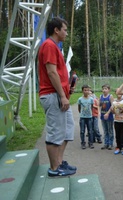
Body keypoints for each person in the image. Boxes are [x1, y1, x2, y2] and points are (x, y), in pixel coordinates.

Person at [38, 17, 76, 177]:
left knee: (68, 128)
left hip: (59, 95)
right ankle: (54, 168)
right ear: (56, 30)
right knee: (55, 132)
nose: (66, 33)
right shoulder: (48, 45)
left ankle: (59, 162)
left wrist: (68, 89)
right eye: (65, 30)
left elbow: (58, 73)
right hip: (53, 95)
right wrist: (62, 95)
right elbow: (51, 72)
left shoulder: (55, 46)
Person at [77, 85, 94, 149]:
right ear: (82, 91)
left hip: (89, 117)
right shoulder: (80, 99)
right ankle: (83, 143)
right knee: (82, 131)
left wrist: (90, 113)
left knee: (90, 131)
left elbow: (92, 107)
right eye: (85, 90)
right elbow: (79, 108)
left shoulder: (91, 99)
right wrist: (81, 113)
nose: (86, 91)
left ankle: (90, 143)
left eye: (88, 90)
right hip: (82, 117)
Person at [100, 84, 114, 150]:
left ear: (109, 90)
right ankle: (106, 143)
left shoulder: (110, 96)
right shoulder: (101, 96)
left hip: (109, 116)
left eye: (106, 89)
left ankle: (110, 143)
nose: (104, 90)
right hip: (103, 116)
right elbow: (100, 105)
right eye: (103, 89)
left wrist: (108, 113)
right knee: (105, 130)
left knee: (110, 130)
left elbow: (112, 106)